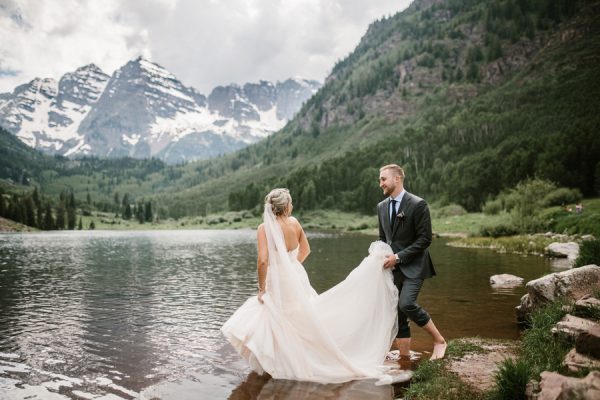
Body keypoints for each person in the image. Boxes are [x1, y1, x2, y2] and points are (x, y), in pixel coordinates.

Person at [221, 188, 402, 384]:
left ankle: (282, 362)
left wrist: (262, 288)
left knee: (276, 316)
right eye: (291, 203)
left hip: (277, 279)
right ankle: (301, 357)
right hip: (296, 276)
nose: (292, 206)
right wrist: (291, 266)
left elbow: (263, 261)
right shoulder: (295, 223)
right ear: (286, 205)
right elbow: (306, 250)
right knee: (301, 318)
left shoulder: (264, 228)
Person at [377, 164, 447, 361]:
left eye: (383, 179)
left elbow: (425, 240)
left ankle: (439, 340)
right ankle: (404, 359)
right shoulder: (381, 207)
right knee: (398, 314)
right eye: (380, 179)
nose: (380, 183)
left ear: (397, 179)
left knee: (406, 303)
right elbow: (384, 239)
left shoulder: (418, 204)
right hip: (392, 268)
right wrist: (378, 256)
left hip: (415, 265)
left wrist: (398, 257)